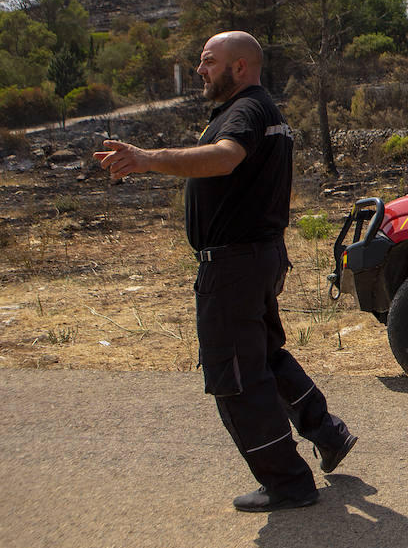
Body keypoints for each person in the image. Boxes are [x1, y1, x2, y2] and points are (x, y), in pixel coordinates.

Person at [94, 31, 355, 513]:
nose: (200, 70)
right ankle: (327, 431)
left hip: (236, 264)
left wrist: (147, 159)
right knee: (265, 355)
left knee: (236, 375)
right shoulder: (261, 111)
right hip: (257, 258)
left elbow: (226, 157)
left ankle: (288, 482)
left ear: (239, 67)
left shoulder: (245, 111)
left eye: (208, 61)